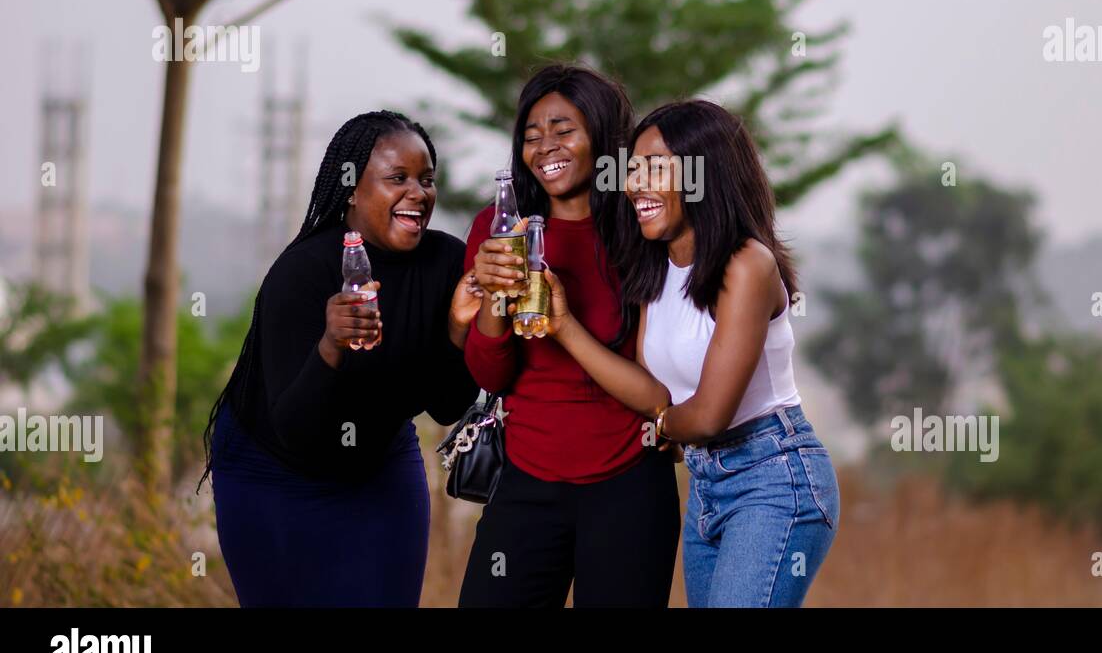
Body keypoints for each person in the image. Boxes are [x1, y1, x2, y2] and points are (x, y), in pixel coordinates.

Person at [543, 99, 840, 607]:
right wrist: (564, 325)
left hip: (773, 478)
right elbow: (652, 391)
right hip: (705, 487)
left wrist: (662, 426)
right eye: (634, 168)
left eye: (657, 167)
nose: (636, 183)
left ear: (708, 174)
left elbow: (705, 417)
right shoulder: (654, 267)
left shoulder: (747, 265)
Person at [199, 110, 482, 607]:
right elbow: (295, 427)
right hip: (271, 470)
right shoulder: (303, 272)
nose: (418, 193)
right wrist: (331, 345)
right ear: (351, 189)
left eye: (426, 180)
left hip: (378, 457)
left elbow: (446, 406)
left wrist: (458, 329)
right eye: (398, 178)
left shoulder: (446, 264)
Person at [457, 64, 680, 608]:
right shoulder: (500, 229)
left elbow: (669, 369)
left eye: (563, 130)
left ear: (602, 138)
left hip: (630, 486)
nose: (545, 148)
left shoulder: (640, 228)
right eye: (531, 137)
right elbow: (490, 373)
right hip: (527, 481)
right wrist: (491, 299)